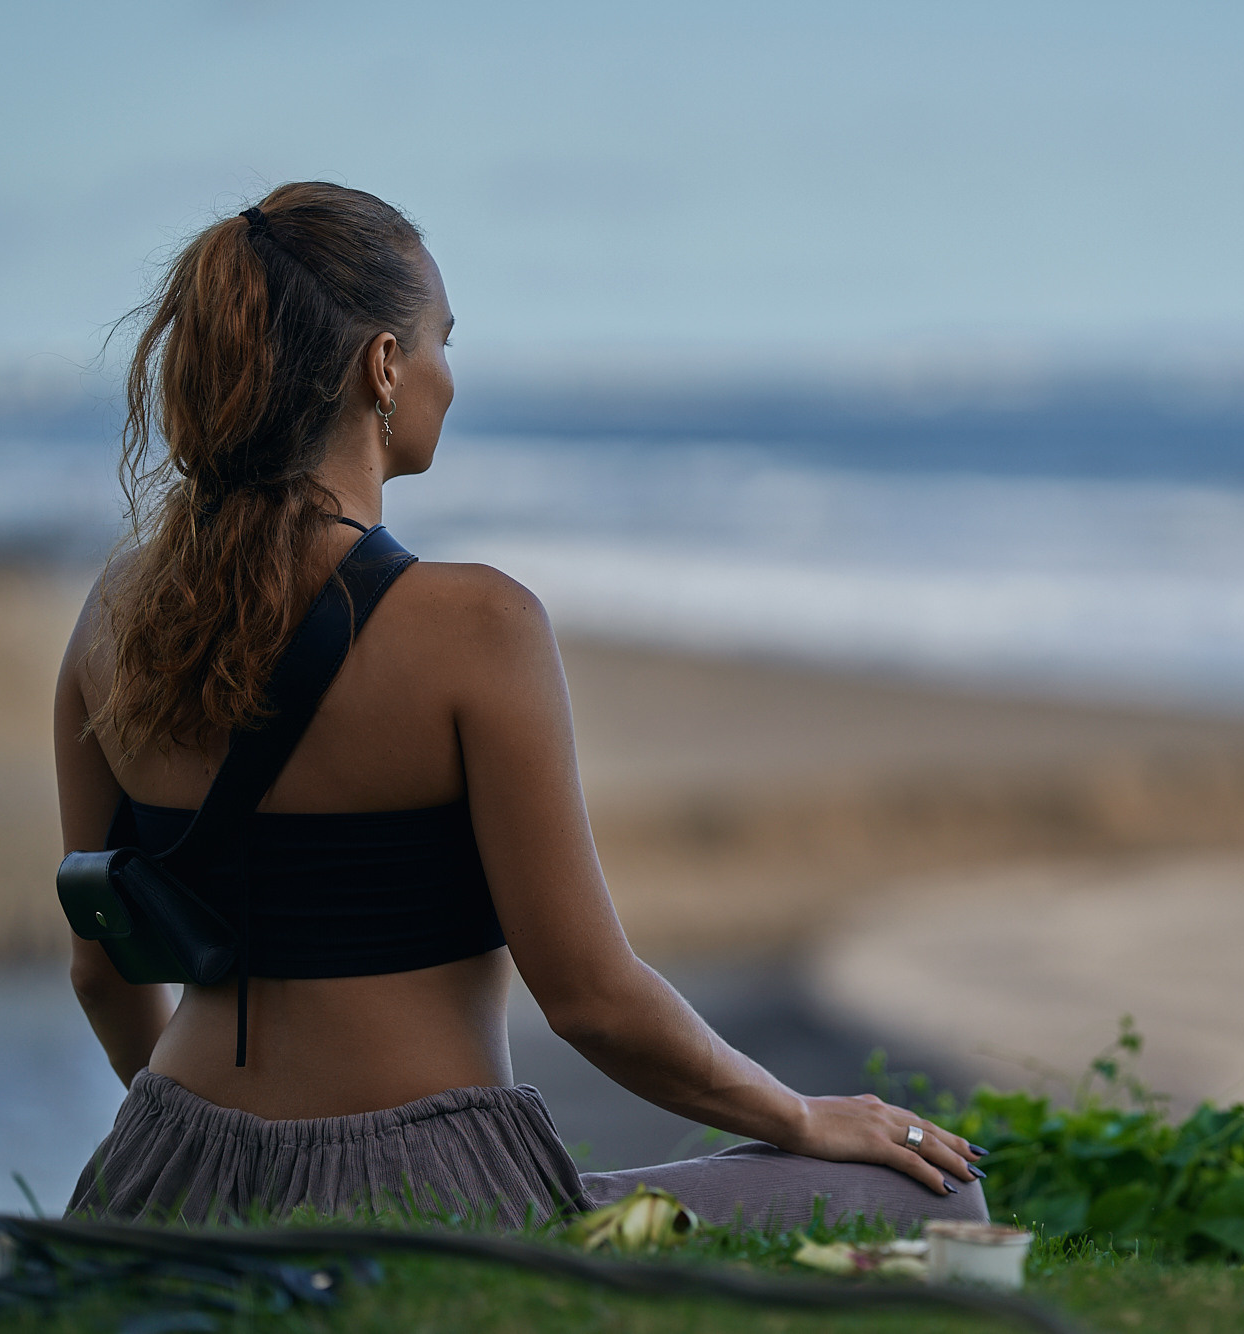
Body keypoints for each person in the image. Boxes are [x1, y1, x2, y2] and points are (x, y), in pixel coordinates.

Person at [54, 182, 989, 1230]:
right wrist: (802, 1114)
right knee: (935, 1187)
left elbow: (101, 963)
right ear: (383, 365)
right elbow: (591, 997)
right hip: (423, 1187)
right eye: (441, 339)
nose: (448, 374)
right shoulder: (475, 625)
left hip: (165, 1165)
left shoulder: (115, 617)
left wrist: (195, 1147)